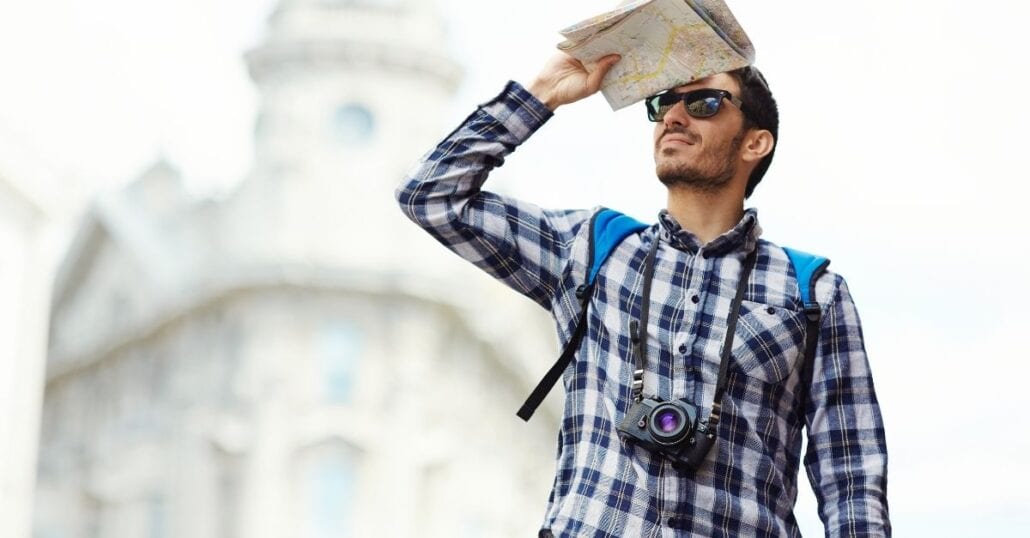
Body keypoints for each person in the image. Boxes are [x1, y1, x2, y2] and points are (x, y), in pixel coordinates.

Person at [396, 52, 890, 537]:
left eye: (704, 103)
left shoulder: (814, 293)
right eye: (663, 103)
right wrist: (542, 95)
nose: (674, 116)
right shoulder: (591, 250)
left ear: (755, 142)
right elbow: (431, 196)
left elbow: (852, 478)